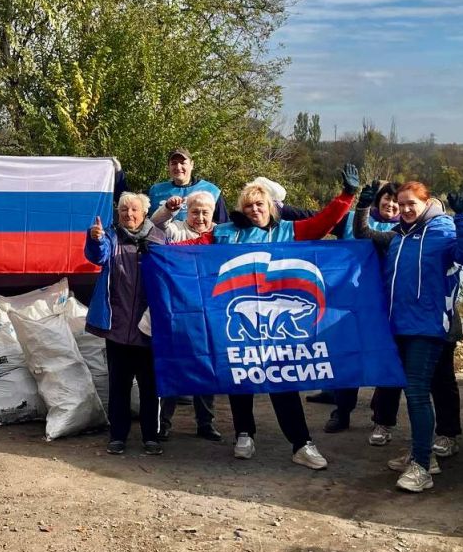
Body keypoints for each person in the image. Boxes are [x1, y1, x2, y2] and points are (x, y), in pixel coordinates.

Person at [175, 165, 360, 469]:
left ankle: (301, 443)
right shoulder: (227, 233)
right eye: (247, 205)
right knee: (241, 375)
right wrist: (155, 249)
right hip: (239, 318)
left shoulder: (288, 229)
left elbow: (322, 224)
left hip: (275, 329)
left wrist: (347, 196)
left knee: (281, 380)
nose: (253, 210)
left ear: (271, 206)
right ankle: (244, 433)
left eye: (259, 204)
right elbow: (191, 248)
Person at [354, 182, 463, 492]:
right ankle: (421, 452)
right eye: (401, 204)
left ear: (426, 203)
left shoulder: (444, 231)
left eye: (412, 203)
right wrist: (363, 204)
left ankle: (422, 468)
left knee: (416, 392)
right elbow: (364, 235)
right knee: (412, 391)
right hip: (398, 325)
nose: (406, 209)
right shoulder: (399, 237)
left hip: (427, 328)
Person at [85, 192, 165, 455]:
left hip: (148, 328)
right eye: (123, 210)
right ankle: (117, 436)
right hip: (117, 327)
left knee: (150, 387)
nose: (128, 215)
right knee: (118, 386)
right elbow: (98, 256)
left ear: (144, 213)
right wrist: (94, 240)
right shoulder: (110, 237)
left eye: (134, 210)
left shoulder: (159, 239)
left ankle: (151, 436)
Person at [319, 181, 401, 435]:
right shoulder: (359, 221)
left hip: (389, 304)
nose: (390, 204)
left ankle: (381, 416)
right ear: (378, 200)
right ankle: (342, 411)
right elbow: (324, 223)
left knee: (387, 358)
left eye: (396, 202)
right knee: (350, 356)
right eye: (386, 199)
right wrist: (279, 207)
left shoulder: (404, 231)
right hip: (356, 301)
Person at [149, 190, 221, 441]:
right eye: (195, 211)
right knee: (172, 365)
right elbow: (154, 224)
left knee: (206, 367)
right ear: (187, 212)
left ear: (212, 213)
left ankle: (205, 423)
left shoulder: (220, 234)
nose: (200, 217)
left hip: (207, 312)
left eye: (205, 212)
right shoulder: (175, 229)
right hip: (176, 311)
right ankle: (164, 423)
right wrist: (169, 208)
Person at [148, 148, 228, 224]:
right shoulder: (155, 191)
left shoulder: (211, 191)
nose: (178, 167)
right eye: (174, 163)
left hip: (199, 237)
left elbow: (222, 226)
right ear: (168, 166)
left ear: (192, 165)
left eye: (183, 163)